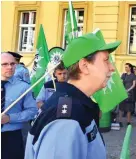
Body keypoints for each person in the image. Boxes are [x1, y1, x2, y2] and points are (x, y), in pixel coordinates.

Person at [24, 29, 121, 159]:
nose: (112, 67)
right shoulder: (66, 120)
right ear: (85, 66)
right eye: (106, 60)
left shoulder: (77, 107)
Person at [1, 53, 38, 159]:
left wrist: (9, 118)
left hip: (11, 137)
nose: (10, 67)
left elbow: (32, 111)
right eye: (4, 64)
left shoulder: (23, 87)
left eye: (12, 64)